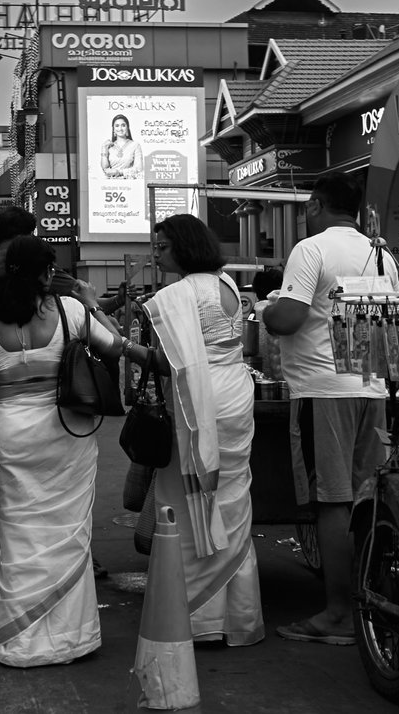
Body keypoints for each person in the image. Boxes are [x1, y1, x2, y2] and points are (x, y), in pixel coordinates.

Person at [0, 235, 155, 667]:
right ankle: (69, 638)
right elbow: (115, 346)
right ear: (47, 275)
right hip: (65, 435)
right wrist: (148, 353)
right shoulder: (71, 311)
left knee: (20, 536)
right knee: (67, 531)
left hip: (8, 436)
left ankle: (19, 642)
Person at [259, 170, 393, 646]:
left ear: (316, 204)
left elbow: (290, 318)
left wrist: (265, 309)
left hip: (325, 390)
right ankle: (368, 603)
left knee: (332, 501)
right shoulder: (381, 252)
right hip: (372, 388)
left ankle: (339, 614)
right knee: (365, 499)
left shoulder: (310, 249)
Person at [139, 214, 266, 647]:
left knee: (187, 497)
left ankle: (197, 616)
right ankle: (237, 615)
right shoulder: (227, 284)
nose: (156, 254)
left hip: (200, 401)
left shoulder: (179, 294)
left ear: (184, 247)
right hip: (235, 391)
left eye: (162, 246)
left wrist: (116, 345)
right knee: (230, 495)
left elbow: (166, 362)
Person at [99, 113, 142, 179]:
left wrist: (119, 172)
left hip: (129, 183)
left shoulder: (135, 145)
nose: (120, 128)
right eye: (117, 126)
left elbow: (139, 168)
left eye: (123, 125)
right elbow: (105, 169)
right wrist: (103, 148)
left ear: (127, 128)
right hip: (110, 185)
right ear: (113, 129)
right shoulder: (109, 146)